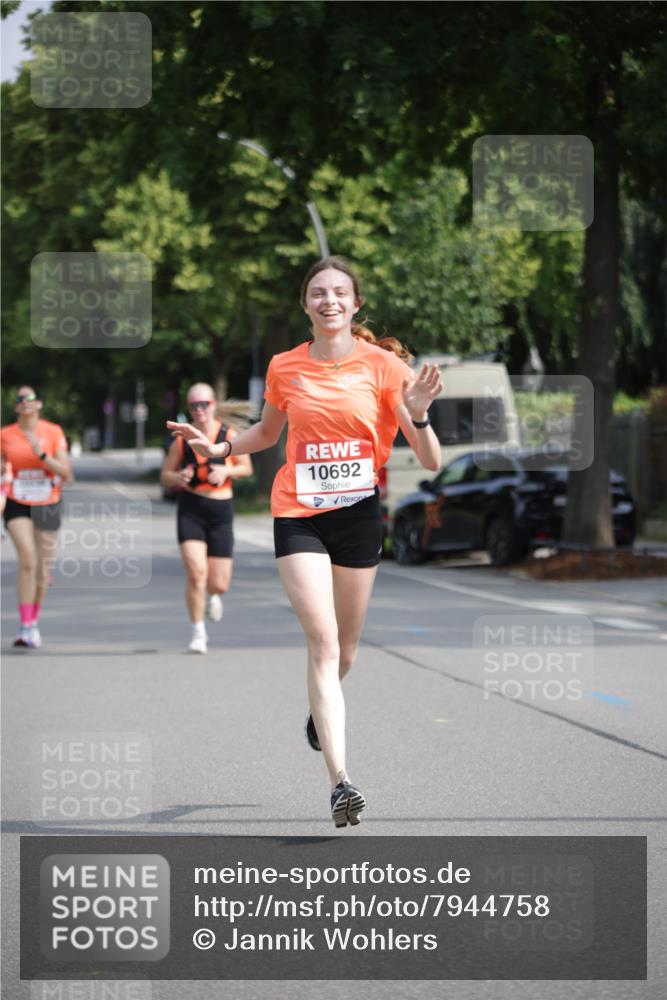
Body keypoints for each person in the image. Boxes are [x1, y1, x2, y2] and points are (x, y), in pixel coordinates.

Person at [167, 257, 442, 827]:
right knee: (323, 641)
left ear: (356, 304)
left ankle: (321, 712)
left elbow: (430, 460)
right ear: (305, 305)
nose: (329, 300)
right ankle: (341, 783)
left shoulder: (384, 366)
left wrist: (418, 416)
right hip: (298, 514)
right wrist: (220, 449)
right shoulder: (285, 365)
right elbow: (268, 432)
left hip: (358, 515)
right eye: (318, 292)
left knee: (347, 650)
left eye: (340, 292)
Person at [160, 383, 253, 653]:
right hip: (191, 508)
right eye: (194, 405)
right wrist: (178, 477)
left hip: (221, 510)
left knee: (218, 583)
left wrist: (226, 472)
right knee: (196, 572)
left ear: (213, 405)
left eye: (204, 404)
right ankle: (198, 631)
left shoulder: (229, 435)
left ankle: (214, 596)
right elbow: (165, 475)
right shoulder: (182, 440)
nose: (199, 409)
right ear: (189, 408)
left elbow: (246, 468)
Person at [1, 386, 71, 648]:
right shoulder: (5, 434)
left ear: (39, 403)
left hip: (48, 503)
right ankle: (24, 626)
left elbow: (66, 473)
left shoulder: (53, 432)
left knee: (43, 570)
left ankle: (33, 622)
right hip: (17, 502)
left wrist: (41, 454)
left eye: (30, 398)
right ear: (16, 407)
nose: (25, 402)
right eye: (20, 399)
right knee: (28, 560)